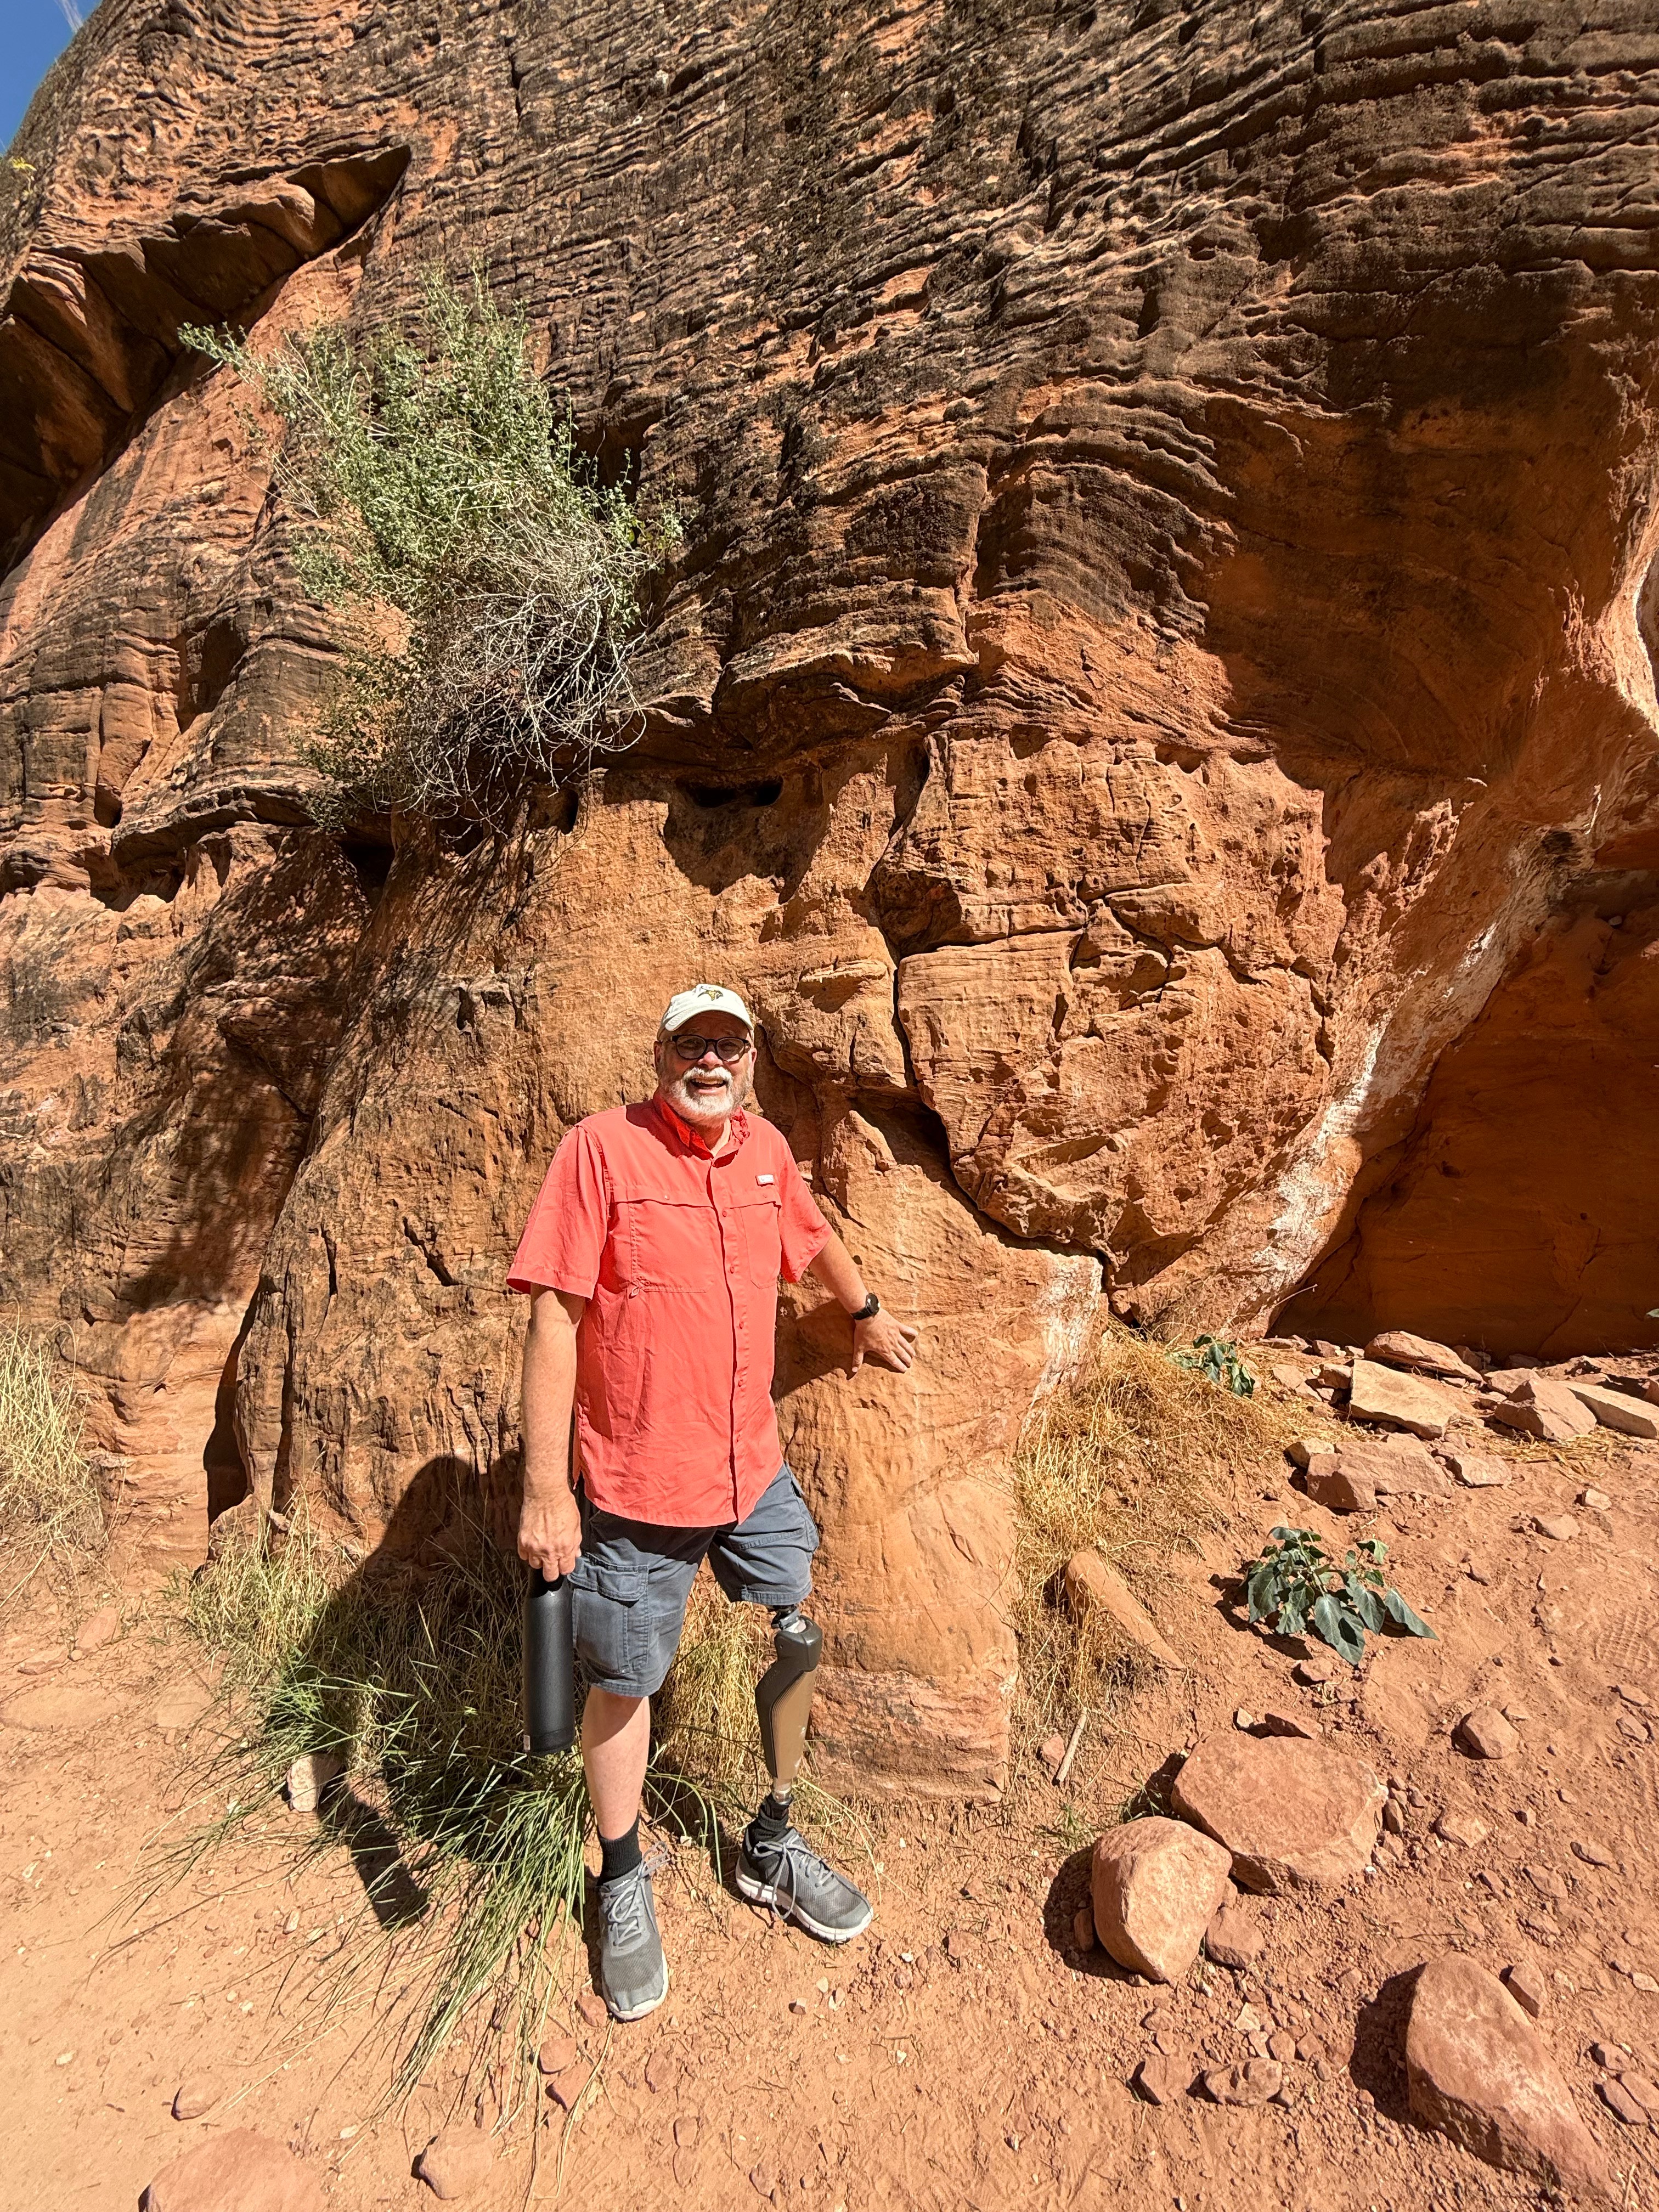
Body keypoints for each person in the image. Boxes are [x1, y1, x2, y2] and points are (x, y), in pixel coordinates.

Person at [509, 983, 918, 2022]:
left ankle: (770, 1841)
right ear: (661, 1057)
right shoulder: (599, 1150)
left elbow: (811, 1234)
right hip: (637, 1485)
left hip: (750, 1468)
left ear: (749, 1062)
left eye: (729, 1045)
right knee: (624, 1682)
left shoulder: (765, 1149)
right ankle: (621, 1874)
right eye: (692, 1043)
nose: (711, 1061)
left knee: (797, 1632)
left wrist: (864, 1312)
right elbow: (554, 1318)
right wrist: (547, 1490)